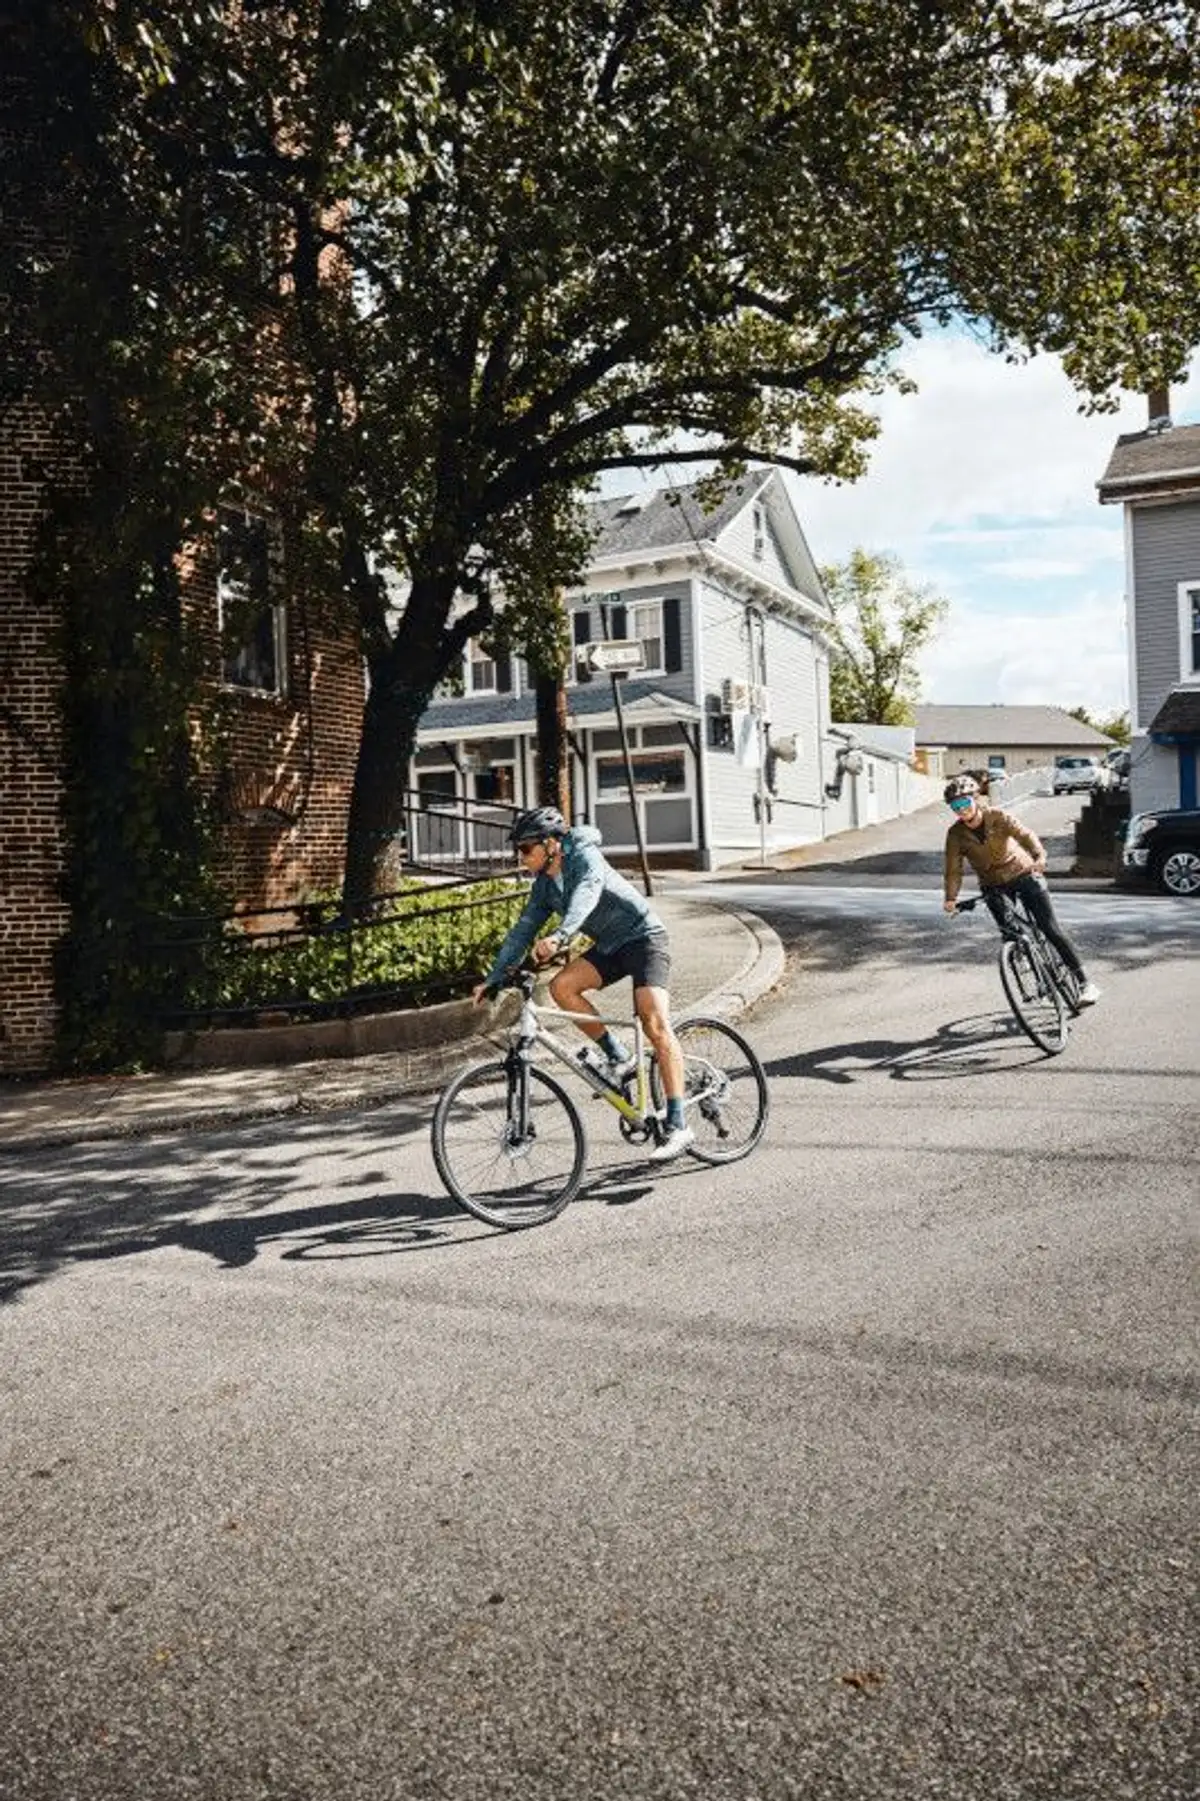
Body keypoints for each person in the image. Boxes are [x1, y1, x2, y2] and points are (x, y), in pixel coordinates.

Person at [473, 806, 695, 1161]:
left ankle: (679, 1124)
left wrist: (561, 937)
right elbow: (522, 931)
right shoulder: (545, 886)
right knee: (562, 988)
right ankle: (619, 1057)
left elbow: (587, 894)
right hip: (609, 946)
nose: (521, 857)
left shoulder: (584, 855)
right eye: (518, 851)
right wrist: (494, 978)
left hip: (644, 939)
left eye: (525, 849)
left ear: (550, 845)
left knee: (654, 1023)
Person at [941, 774, 1101, 1004]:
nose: (962, 810)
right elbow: (953, 868)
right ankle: (1034, 975)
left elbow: (1025, 835)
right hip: (993, 884)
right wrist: (950, 898)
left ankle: (1086, 984)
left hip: (1023, 872)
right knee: (1010, 934)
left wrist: (1039, 856)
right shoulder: (955, 834)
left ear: (976, 799)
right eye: (956, 806)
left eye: (965, 803)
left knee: (1049, 927)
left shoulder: (997, 816)